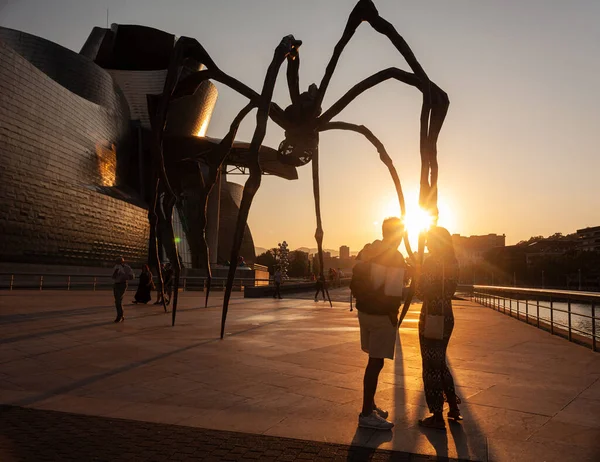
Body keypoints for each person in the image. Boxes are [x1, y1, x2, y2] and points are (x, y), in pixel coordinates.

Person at [351, 217, 408, 430]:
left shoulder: (368, 249)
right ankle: (366, 413)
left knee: (372, 361)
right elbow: (393, 291)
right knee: (376, 363)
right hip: (381, 315)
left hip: (364, 312)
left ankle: (370, 404)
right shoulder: (395, 257)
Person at [417, 226, 461, 429]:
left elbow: (420, 290)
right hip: (447, 314)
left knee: (431, 366)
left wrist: (417, 273)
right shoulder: (453, 263)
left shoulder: (431, 262)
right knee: (440, 362)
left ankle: (436, 415)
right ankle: (453, 406)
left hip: (431, 316)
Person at [112, 256, 134, 323]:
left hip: (122, 284)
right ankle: (121, 315)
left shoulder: (127, 268)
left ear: (122, 262)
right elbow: (113, 277)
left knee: (118, 300)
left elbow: (132, 276)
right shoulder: (116, 267)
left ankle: (119, 316)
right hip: (116, 284)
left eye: (119, 262)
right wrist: (115, 273)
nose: (117, 264)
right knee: (117, 301)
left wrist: (125, 276)